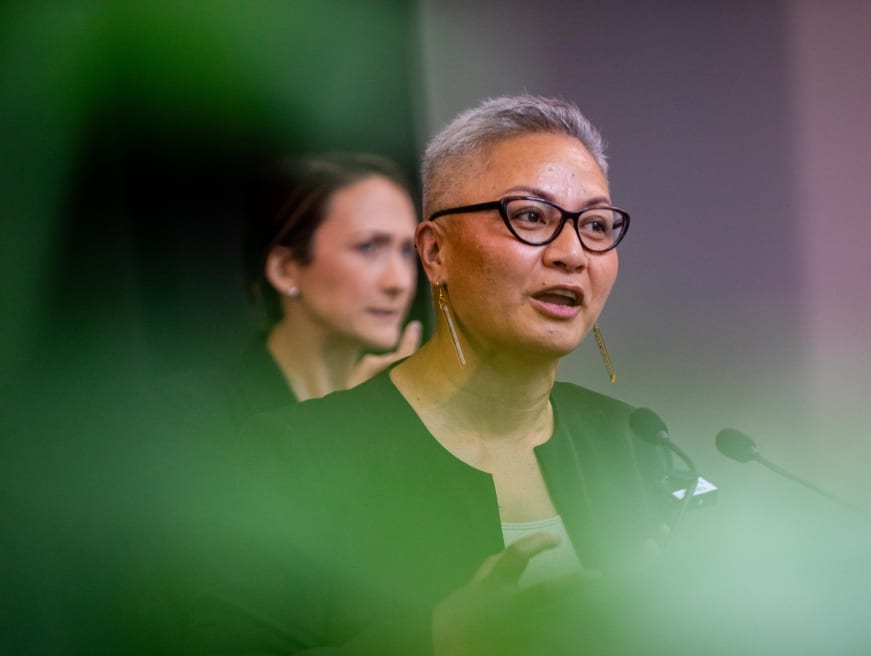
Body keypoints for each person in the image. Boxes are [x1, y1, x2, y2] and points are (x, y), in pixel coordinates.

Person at [187, 97, 674, 655]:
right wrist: (437, 641)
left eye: (594, 225)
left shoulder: (633, 441)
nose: (573, 253)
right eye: (532, 217)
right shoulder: (292, 456)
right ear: (435, 252)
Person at [163, 153, 423, 431]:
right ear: (285, 269)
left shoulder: (405, 410)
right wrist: (340, 423)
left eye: (408, 251)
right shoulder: (188, 412)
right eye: (368, 247)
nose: (399, 282)